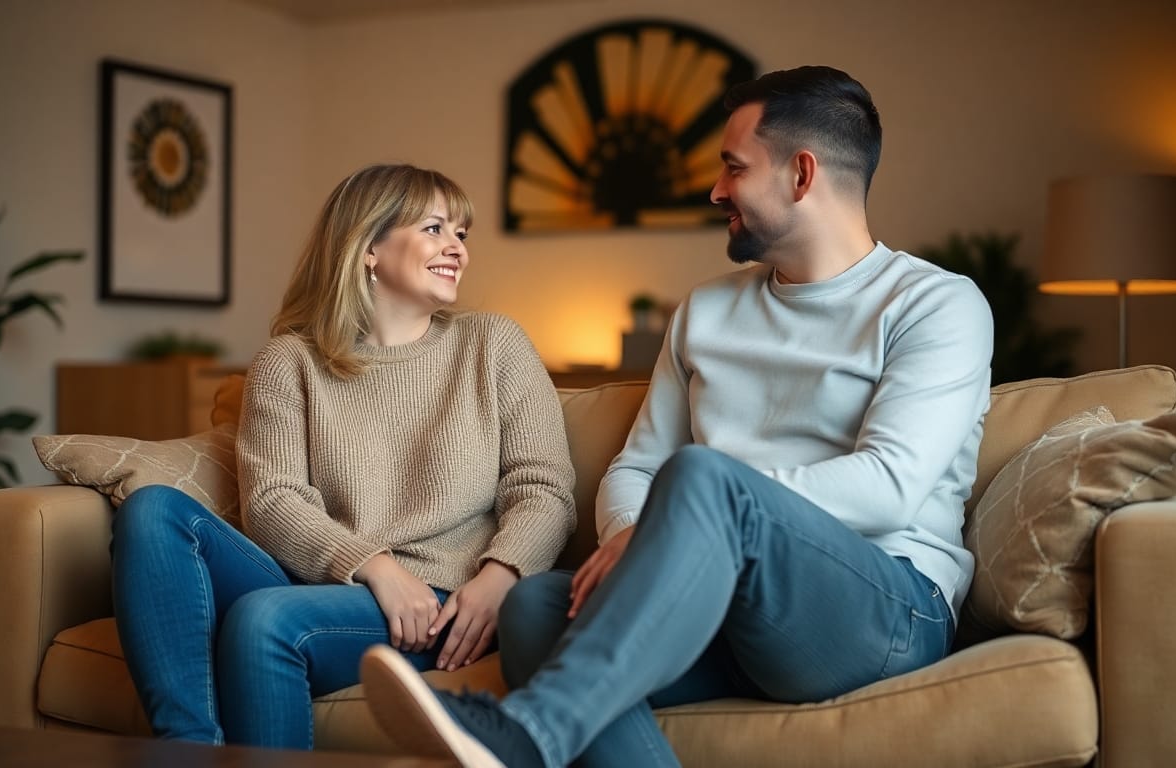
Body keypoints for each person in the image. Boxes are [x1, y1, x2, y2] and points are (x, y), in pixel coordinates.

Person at [359, 66, 994, 767]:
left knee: (704, 478)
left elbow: (889, 486)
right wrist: (641, 535)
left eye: (733, 167)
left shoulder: (936, 304)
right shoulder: (707, 310)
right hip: (727, 609)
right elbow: (637, 464)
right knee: (536, 610)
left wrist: (696, 510)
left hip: (884, 605)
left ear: (801, 175)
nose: (716, 189)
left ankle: (526, 733)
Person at [110, 164, 577, 749]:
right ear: (369, 249)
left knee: (263, 620)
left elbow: (546, 488)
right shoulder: (289, 361)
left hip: (439, 601)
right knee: (151, 510)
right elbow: (273, 501)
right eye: (435, 228)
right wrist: (374, 566)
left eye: (462, 233)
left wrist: (500, 576)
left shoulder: (493, 344)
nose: (457, 248)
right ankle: (189, 752)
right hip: (323, 579)